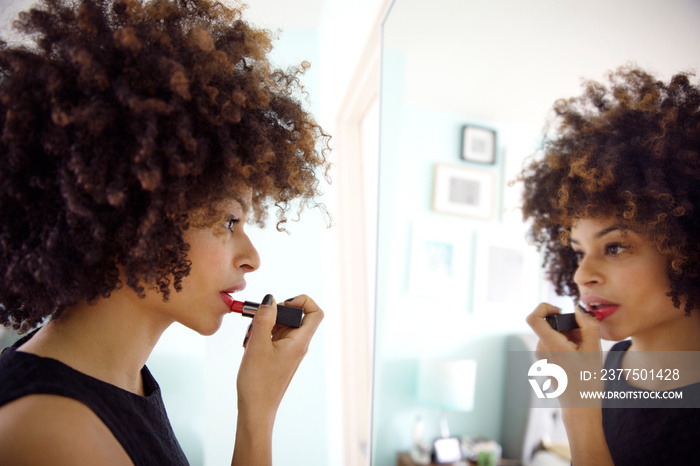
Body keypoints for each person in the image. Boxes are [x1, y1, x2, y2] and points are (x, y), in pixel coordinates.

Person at [0, 0, 330, 464]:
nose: (251, 257)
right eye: (229, 221)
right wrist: (259, 415)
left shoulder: (120, 379)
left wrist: (257, 405)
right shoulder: (54, 436)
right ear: (135, 214)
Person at [519, 65, 700, 465]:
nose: (583, 276)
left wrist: (578, 406)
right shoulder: (609, 365)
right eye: (579, 252)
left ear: (687, 247)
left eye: (615, 247)